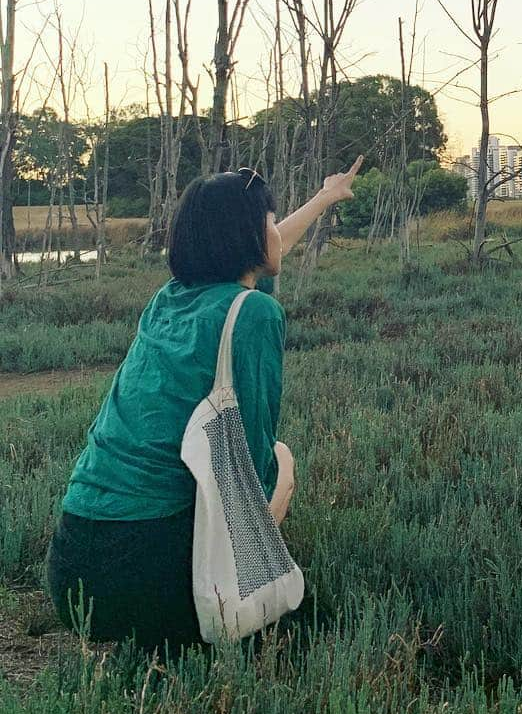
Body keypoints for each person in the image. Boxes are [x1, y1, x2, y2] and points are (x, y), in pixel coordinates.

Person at [45, 156, 363, 653]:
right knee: (280, 460)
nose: (277, 231)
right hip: (142, 576)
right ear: (247, 236)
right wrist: (266, 528)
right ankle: (223, 620)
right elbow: (249, 469)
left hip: (73, 570)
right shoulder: (254, 313)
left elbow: (265, 258)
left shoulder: (171, 299)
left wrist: (324, 198)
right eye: (269, 221)